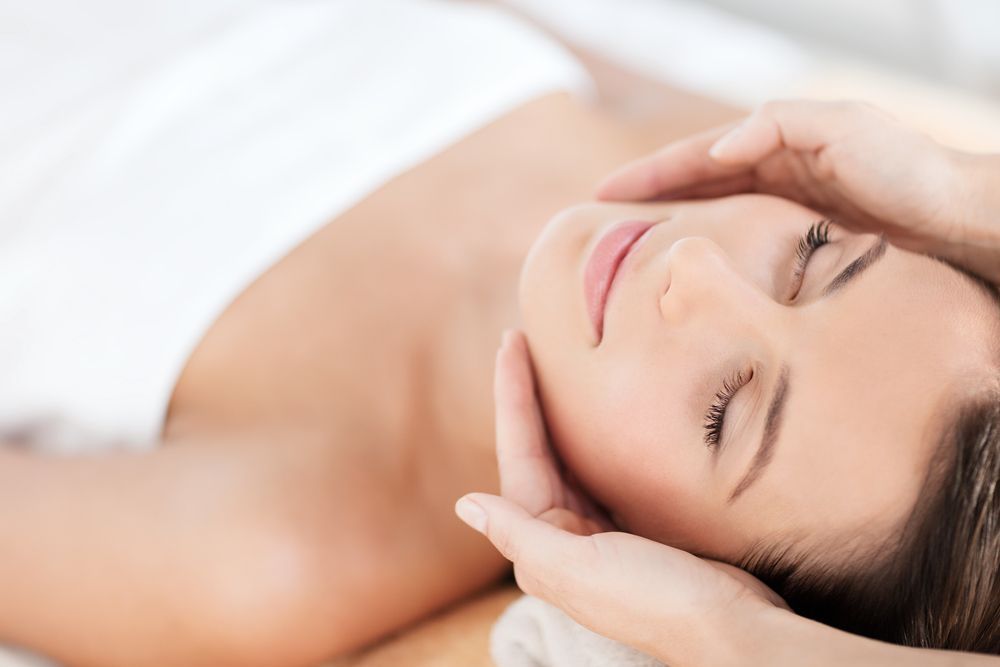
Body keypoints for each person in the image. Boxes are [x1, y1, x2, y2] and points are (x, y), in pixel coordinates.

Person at [457, 99, 1000, 665]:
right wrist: (961, 196)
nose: (695, 263)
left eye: (725, 407)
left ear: (657, 554)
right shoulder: (718, 130)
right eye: (811, 256)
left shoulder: (358, 545)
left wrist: (735, 635)